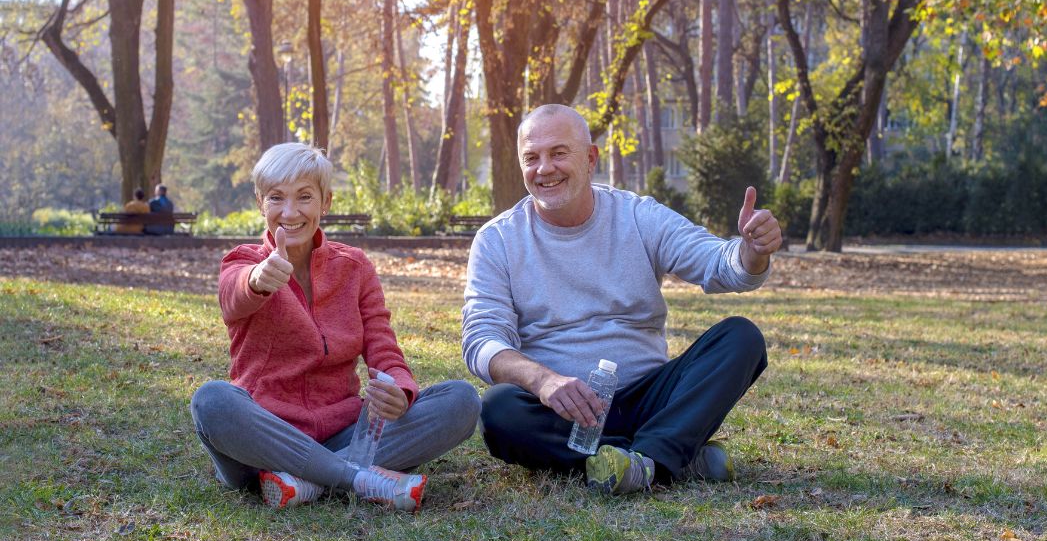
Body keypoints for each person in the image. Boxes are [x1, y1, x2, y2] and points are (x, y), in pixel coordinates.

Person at [462, 104, 783, 495]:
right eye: (532, 157)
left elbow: (719, 263)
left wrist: (753, 252)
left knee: (740, 338)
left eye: (559, 153)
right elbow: (482, 340)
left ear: (591, 157)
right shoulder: (498, 240)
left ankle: (642, 459)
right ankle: (669, 456)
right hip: (562, 413)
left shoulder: (638, 216)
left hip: (650, 397)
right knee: (498, 410)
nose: (545, 168)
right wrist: (544, 381)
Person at [190, 143, 480, 512]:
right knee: (212, 401)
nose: (290, 212)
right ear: (260, 202)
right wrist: (259, 279)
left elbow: (382, 345)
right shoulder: (243, 260)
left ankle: (306, 481)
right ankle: (356, 479)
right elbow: (235, 297)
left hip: (343, 431)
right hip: (266, 438)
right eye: (276, 197)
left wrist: (400, 389)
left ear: (325, 203)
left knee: (461, 400)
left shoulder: (354, 267)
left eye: (305, 197)